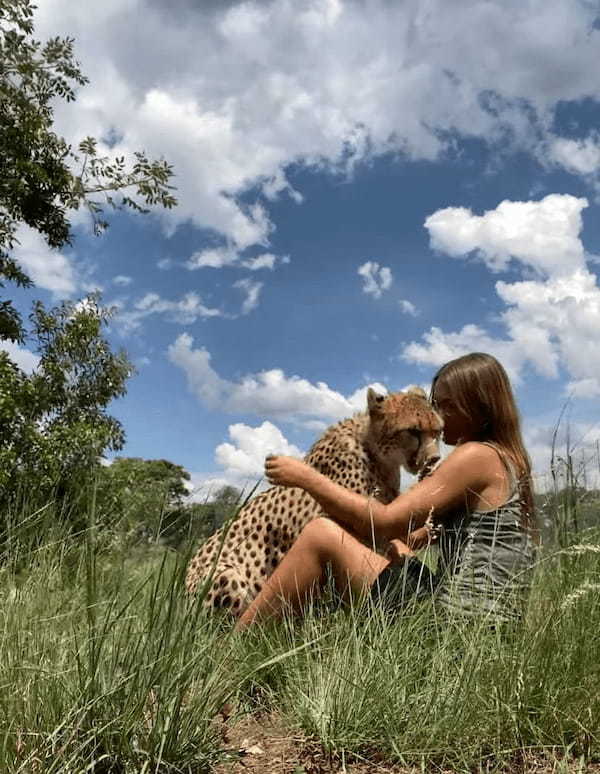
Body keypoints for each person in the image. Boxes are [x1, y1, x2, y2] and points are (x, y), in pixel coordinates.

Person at [236, 352, 536, 630]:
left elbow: (384, 522)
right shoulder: (506, 456)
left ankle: (229, 658)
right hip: (491, 625)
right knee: (397, 548)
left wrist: (306, 477)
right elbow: (409, 537)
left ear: (478, 406)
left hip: (460, 625)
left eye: (445, 405)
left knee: (321, 533)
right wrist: (426, 496)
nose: (438, 419)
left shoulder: (475, 455)